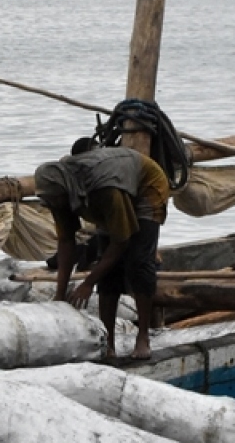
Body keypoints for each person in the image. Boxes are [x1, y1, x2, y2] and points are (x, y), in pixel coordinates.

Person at [35, 145, 170, 360]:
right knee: (107, 273)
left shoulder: (105, 190)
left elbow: (121, 241)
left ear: (64, 191)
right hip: (107, 194)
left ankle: (143, 336)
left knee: (139, 263)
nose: (52, 204)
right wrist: (60, 294)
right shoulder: (57, 194)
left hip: (146, 187)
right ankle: (108, 343)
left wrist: (87, 283)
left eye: (54, 199)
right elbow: (66, 241)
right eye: (48, 200)